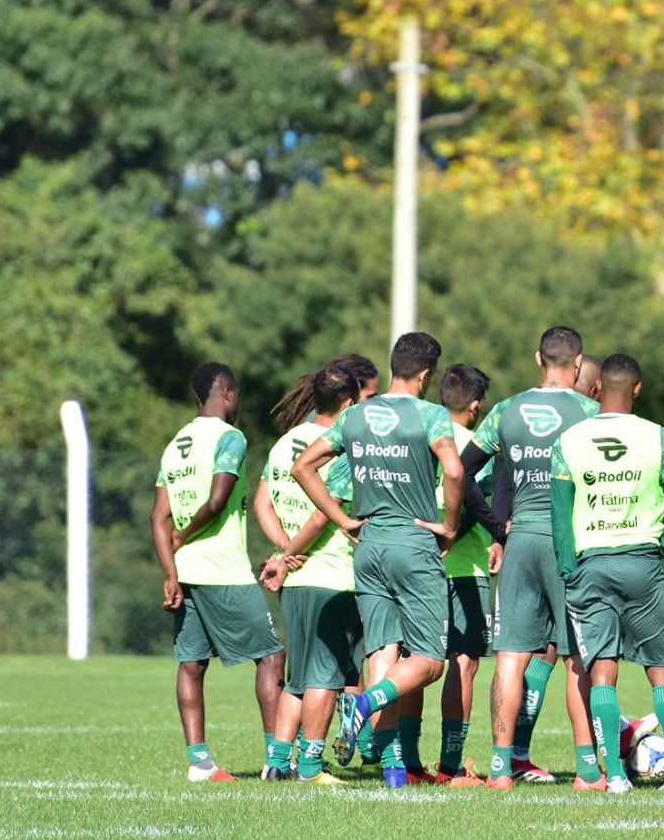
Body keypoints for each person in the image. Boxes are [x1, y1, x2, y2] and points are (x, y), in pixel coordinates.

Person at [292, 331, 463, 789]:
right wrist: (448, 525)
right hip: (413, 542)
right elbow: (453, 468)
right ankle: (365, 704)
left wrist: (342, 521)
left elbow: (303, 466)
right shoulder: (430, 416)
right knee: (429, 661)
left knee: (383, 655)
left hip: (368, 548)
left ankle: (391, 771)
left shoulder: (356, 415)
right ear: (425, 374)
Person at [551, 352, 664, 793]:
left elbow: (559, 515)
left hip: (589, 564)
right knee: (661, 669)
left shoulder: (569, 439)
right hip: (641, 560)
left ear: (597, 387)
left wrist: (568, 566)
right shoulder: (659, 437)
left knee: (602, 671)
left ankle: (615, 776)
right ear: (637, 389)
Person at [463, 328, 601, 789]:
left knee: (510, 656)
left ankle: (500, 769)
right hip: (570, 543)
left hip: (519, 538)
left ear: (537, 357)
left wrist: (494, 526)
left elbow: (461, 470)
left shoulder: (505, 410)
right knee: (576, 658)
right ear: (578, 363)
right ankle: (586, 771)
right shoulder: (589, 412)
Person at [152, 362, 284, 782]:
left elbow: (158, 517)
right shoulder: (231, 438)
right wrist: (184, 536)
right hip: (221, 568)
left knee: (191, 663)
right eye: (238, 394)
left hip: (187, 573)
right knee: (271, 656)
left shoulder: (175, 445)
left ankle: (199, 762)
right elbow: (216, 500)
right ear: (227, 392)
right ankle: (276, 759)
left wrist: (170, 572)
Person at [255, 362, 359, 785]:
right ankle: (312, 768)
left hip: (296, 580)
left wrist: (282, 550)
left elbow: (261, 504)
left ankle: (277, 762)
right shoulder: (336, 445)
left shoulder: (283, 444)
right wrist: (290, 552)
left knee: (299, 678)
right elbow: (322, 517)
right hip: (330, 575)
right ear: (349, 403)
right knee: (326, 677)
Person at [412, 364, 494, 785]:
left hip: (417, 566)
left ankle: (406, 763)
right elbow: (484, 508)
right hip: (464, 569)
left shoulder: (421, 432)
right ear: (476, 405)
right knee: (463, 663)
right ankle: (449, 765)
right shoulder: (477, 444)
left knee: (414, 661)